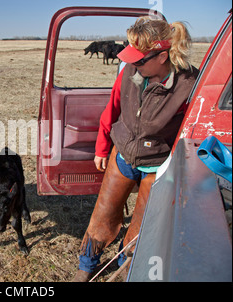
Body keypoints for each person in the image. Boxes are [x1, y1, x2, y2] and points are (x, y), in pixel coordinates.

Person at [73, 16, 200, 282]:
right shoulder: (129, 71)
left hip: (157, 165)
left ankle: (124, 269)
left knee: (141, 227)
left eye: (140, 59)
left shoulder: (189, 84)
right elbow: (112, 109)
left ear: (163, 56)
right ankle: (86, 266)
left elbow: (191, 130)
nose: (132, 63)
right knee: (102, 215)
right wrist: (101, 148)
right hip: (122, 156)